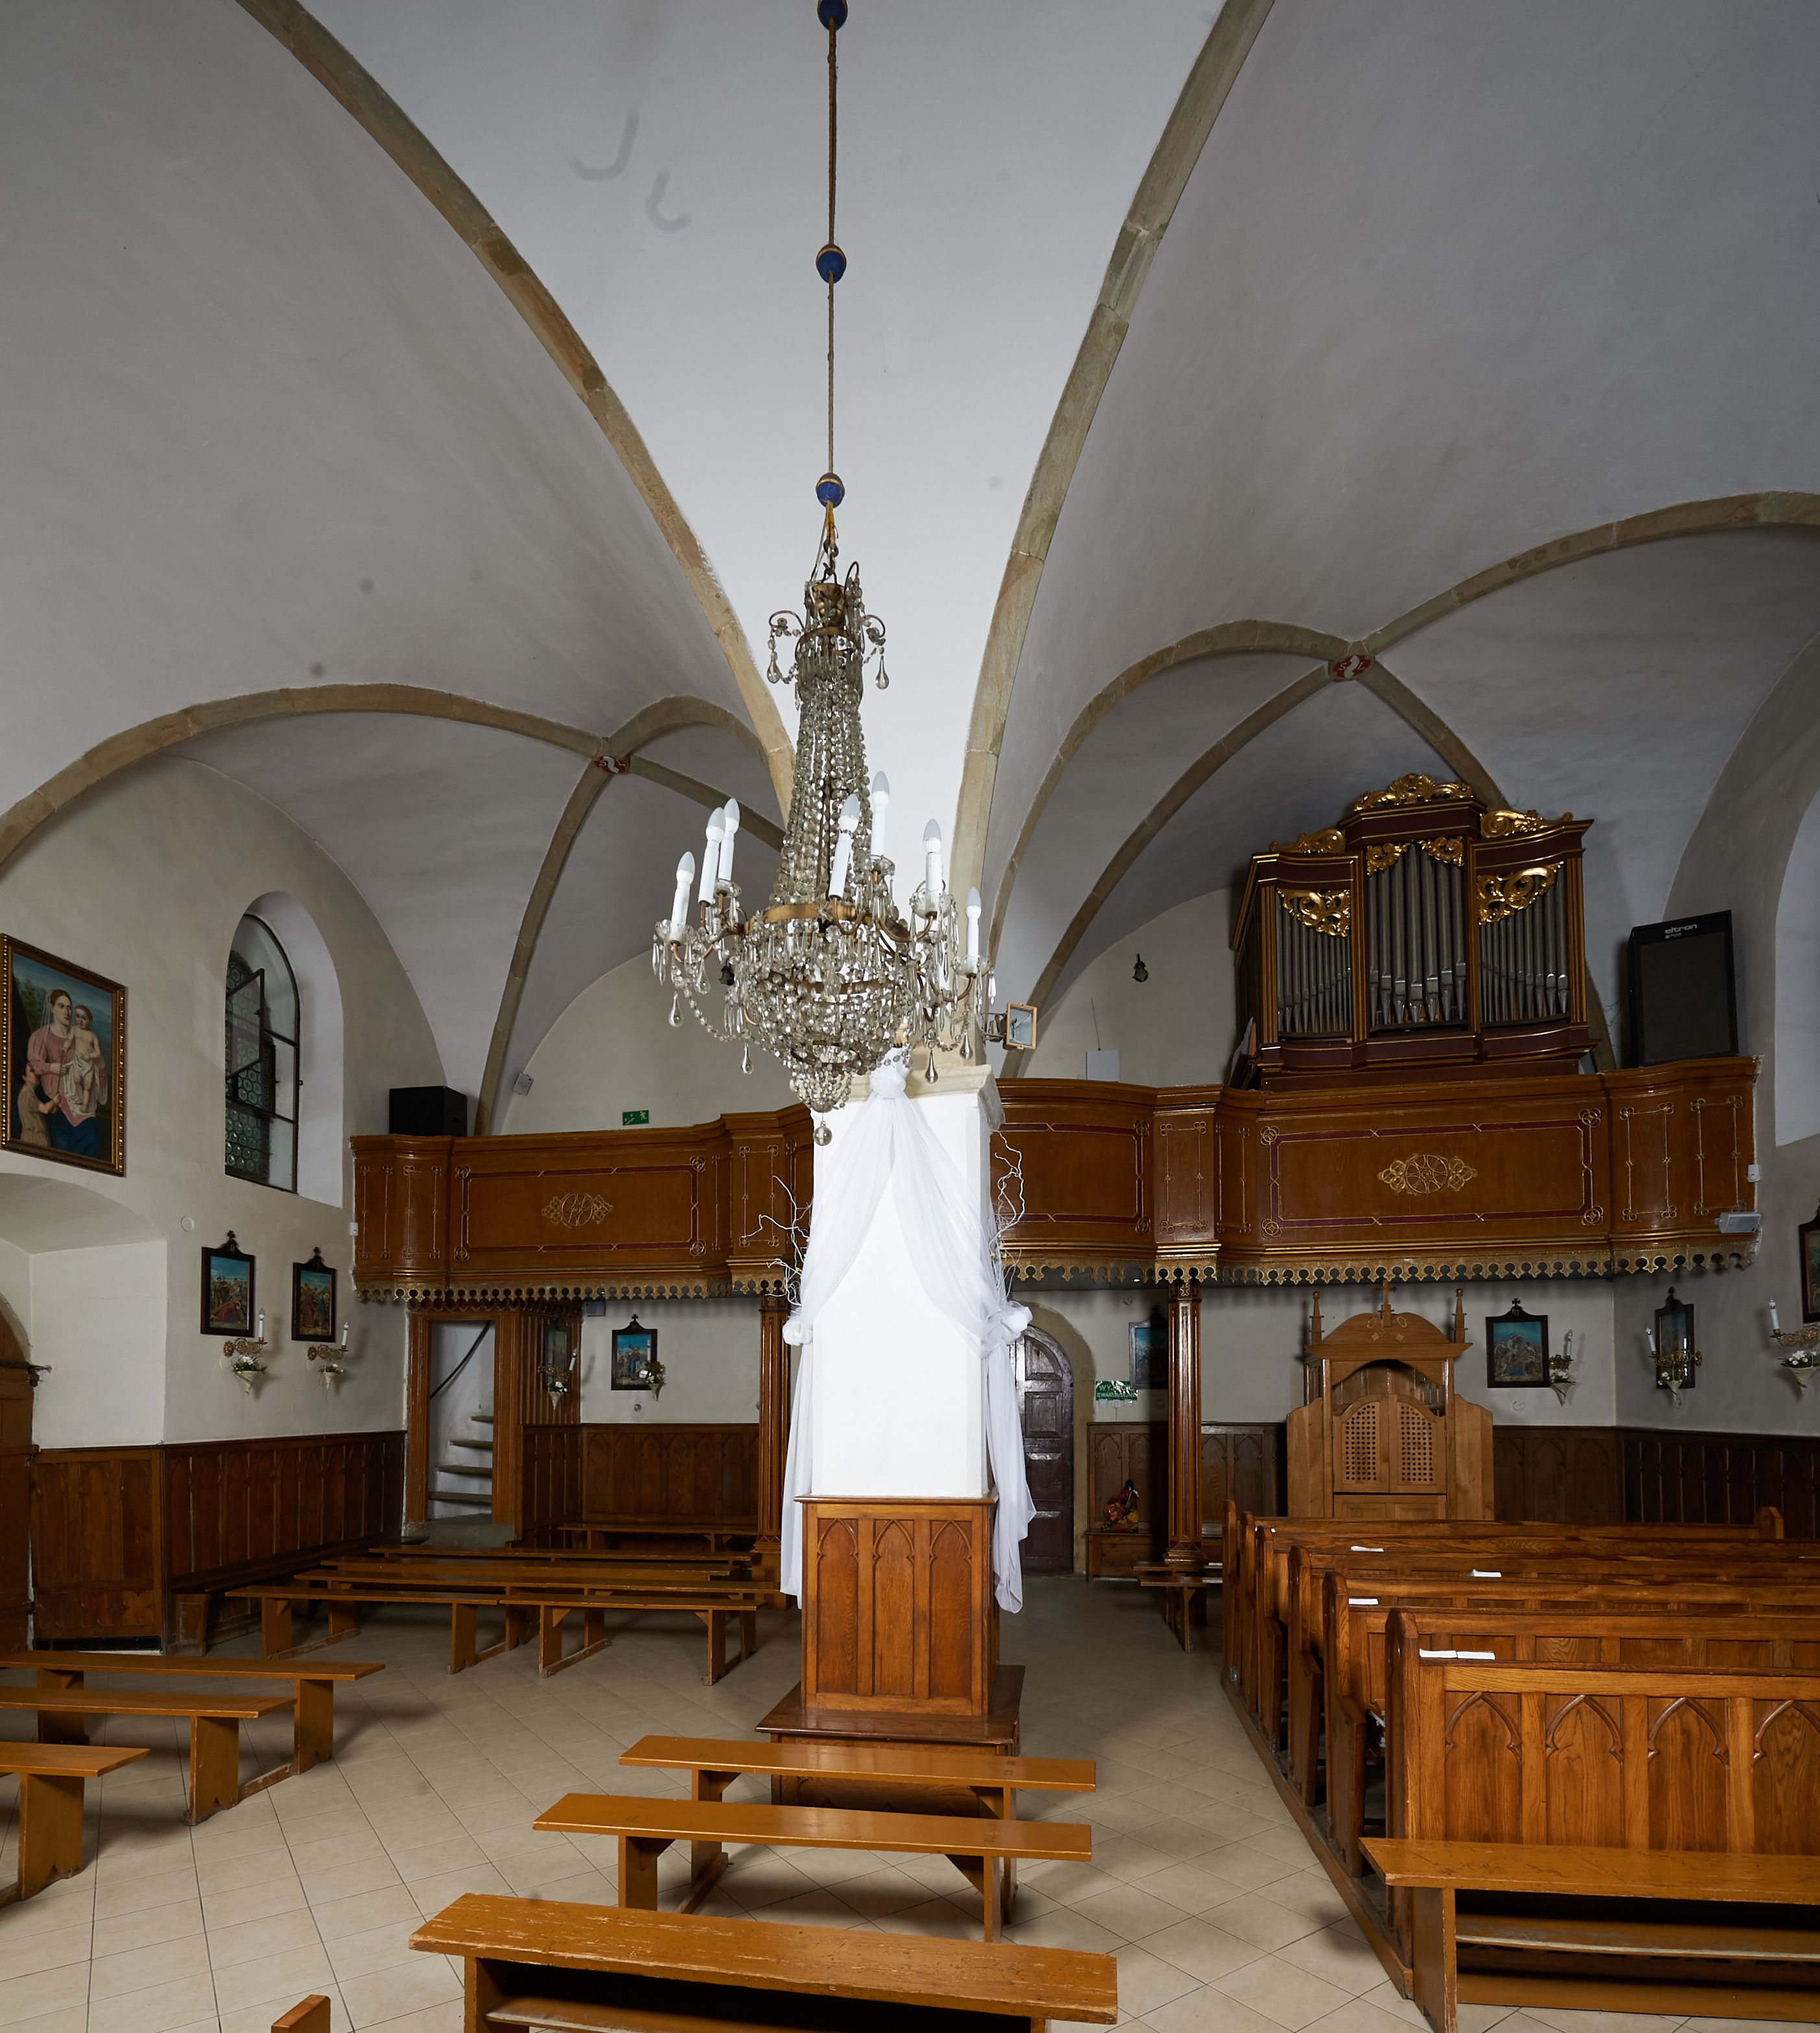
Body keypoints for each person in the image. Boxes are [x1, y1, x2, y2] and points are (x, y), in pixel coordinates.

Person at [26, 988, 103, 1161]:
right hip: (55, 1100)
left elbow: (91, 1062)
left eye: (69, 1008)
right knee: (61, 1147)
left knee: (93, 1143)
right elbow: (35, 1063)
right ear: (52, 1008)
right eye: (62, 1006)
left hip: (78, 1101)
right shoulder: (41, 1036)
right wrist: (52, 1067)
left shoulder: (78, 1036)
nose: (67, 1012)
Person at [12, 1069, 52, 1148]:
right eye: (32, 1071)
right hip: (35, 1139)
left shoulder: (25, 1093)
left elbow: (34, 1110)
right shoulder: (28, 1095)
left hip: (31, 1137)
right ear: (25, 1078)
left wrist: (52, 1106)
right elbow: (45, 1109)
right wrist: (54, 1101)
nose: (37, 1073)